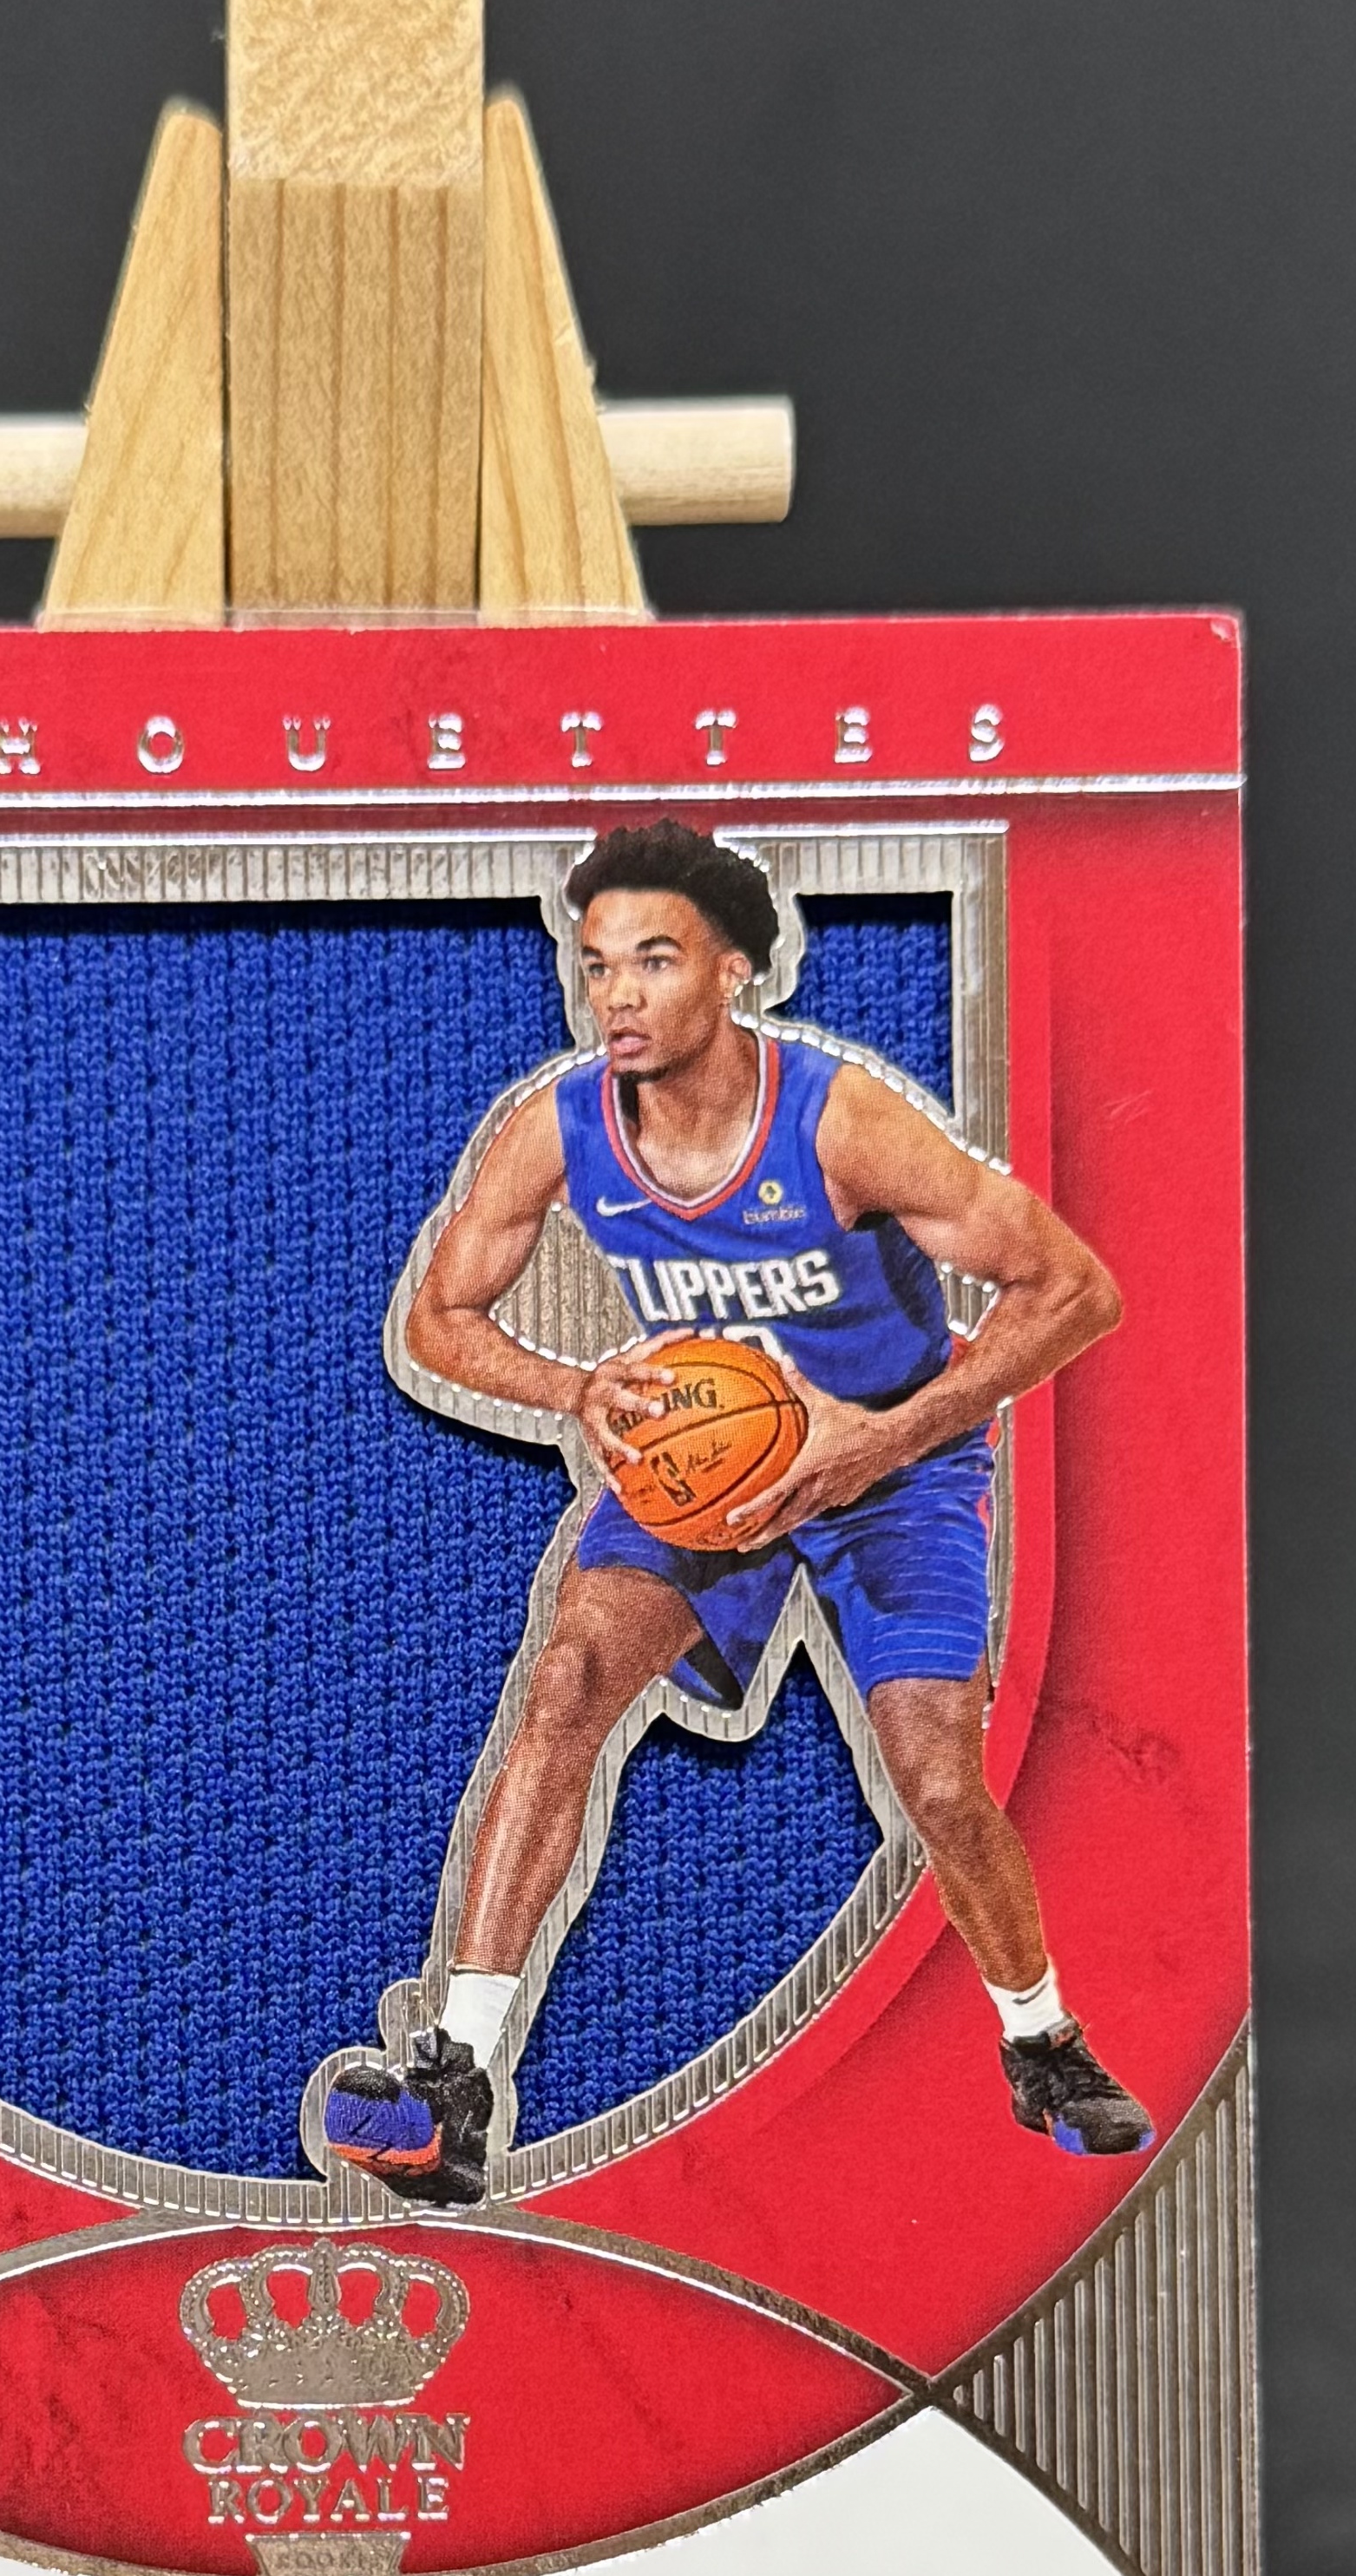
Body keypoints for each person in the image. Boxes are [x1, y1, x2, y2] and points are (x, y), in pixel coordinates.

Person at [320, 816, 1152, 2209]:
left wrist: (883, 1437)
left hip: (889, 1466)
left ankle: (1041, 2040)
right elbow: (439, 1316)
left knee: (939, 1782)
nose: (617, 994)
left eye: (654, 960)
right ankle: (455, 2074)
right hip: (703, 1469)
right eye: (597, 966)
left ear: (736, 972)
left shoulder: (840, 1120)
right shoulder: (559, 1125)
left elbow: (1075, 1289)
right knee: (569, 1678)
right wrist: (575, 1387)